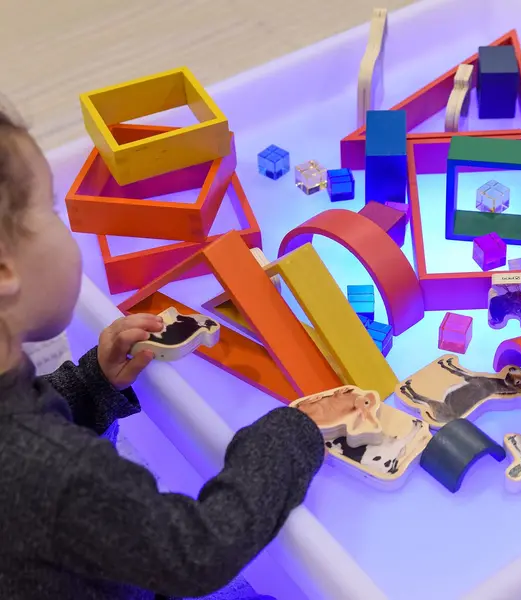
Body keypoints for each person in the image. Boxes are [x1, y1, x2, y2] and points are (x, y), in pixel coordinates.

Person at [0, 107, 325, 599]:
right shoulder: (63, 472)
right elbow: (197, 551)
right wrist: (289, 436)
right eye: (51, 209)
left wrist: (91, 383)